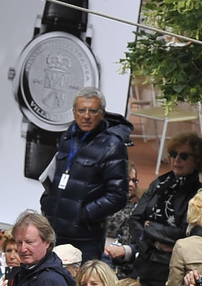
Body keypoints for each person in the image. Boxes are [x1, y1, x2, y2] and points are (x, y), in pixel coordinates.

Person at [37, 86, 132, 262]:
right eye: (82, 110)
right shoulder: (68, 136)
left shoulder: (112, 145)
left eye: (92, 111)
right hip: (55, 231)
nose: (86, 116)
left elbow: (118, 195)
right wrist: (48, 201)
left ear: (102, 113)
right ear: (74, 112)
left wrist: (83, 214)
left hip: (85, 239)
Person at [109, 133, 202, 286]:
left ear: (197, 161)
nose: (176, 160)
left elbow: (186, 233)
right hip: (144, 258)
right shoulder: (159, 183)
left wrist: (150, 228)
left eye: (183, 156)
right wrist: (150, 244)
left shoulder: (198, 194)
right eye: (174, 154)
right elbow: (135, 219)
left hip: (170, 265)